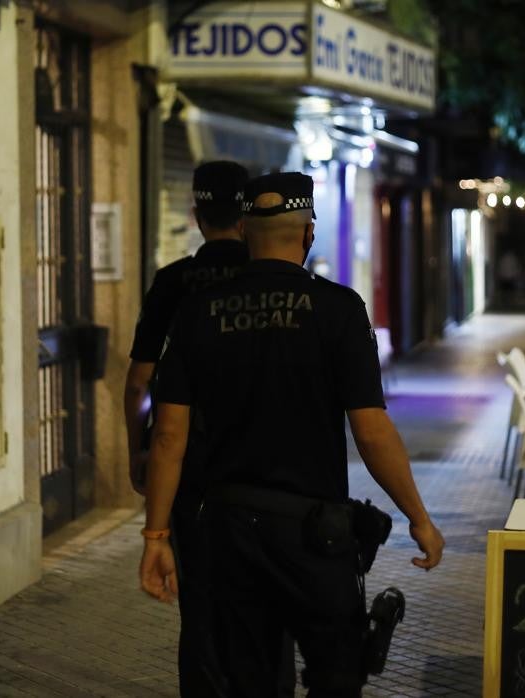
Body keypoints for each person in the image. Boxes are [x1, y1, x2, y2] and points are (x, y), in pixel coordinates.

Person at [138, 172, 444, 697]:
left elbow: (168, 436)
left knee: (247, 680)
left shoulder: (196, 313)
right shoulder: (339, 308)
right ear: (307, 234)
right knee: (338, 674)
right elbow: (370, 432)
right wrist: (418, 516)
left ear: (243, 230)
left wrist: (156, 536)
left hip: (228, 533)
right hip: (313, 536)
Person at [123, 160, 250, 696]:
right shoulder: (267, 278)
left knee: (198, 604)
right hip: (257, 467)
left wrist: (139, 452)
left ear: (196, 216)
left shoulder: (173, 283)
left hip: (188, 471)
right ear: (245, 217)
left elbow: (138, 382)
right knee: (260, 607)